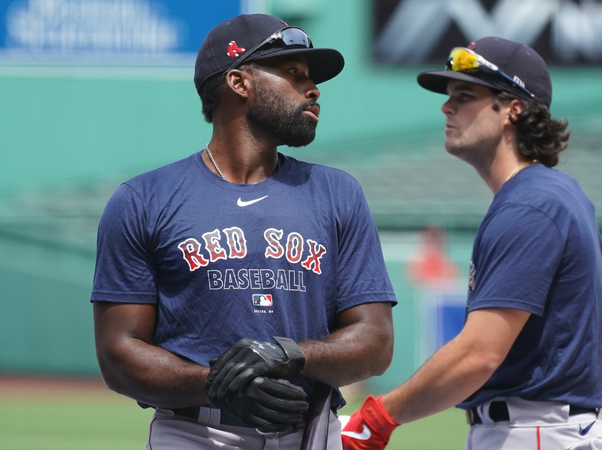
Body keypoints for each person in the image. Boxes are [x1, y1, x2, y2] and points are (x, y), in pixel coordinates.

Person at [91, 14, 396, 450]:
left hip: (312, 432)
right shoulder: (144, 200)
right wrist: (220, 385)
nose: (313, 90)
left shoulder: (338, 193)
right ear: (239, 82)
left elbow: (376, 341)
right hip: (196, 433)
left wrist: (291, 353)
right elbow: (119, 354)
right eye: (294, 74)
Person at [342, 38, 602, 450]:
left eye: (465, 95)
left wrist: (377, 418)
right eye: (449, 96)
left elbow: (479, 353)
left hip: (534, 432)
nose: (447, 106)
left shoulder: (531, 203)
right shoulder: (547, 193)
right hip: (544, 429)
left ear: (513, 108)